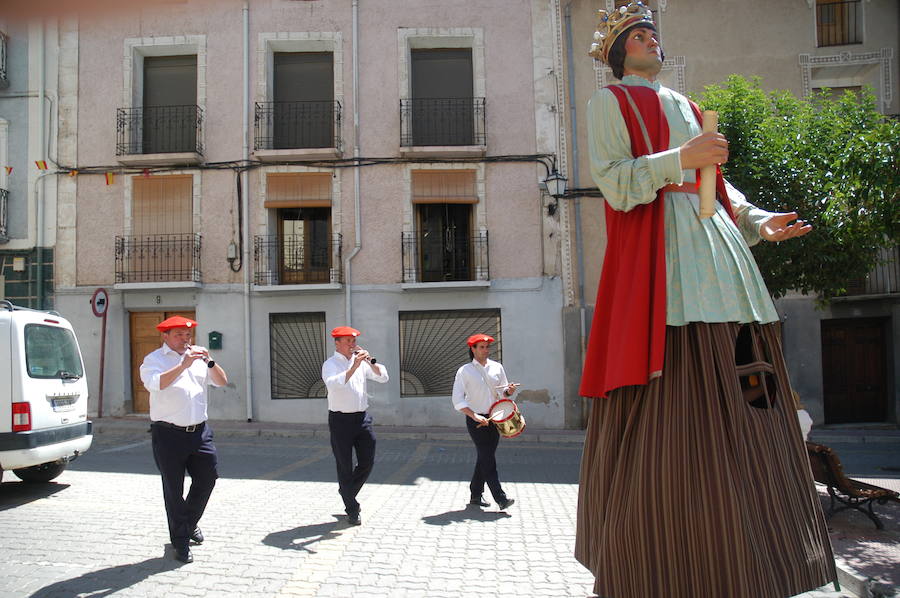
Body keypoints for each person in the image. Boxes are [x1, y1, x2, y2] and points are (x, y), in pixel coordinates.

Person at [576, 3, 836, 597]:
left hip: (717, 249)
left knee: (747, 366)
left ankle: (762, 551)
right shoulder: (608, 102)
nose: (651, 41)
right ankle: (667, 550)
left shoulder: (690, 106)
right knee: (679, 377)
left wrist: (758, 219)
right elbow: (614, 180)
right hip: (661, 262)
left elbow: (717, 187)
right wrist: (680, 159)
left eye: (652, 33)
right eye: (637, 35)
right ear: (618, 53)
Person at [140, 315, 228, 564]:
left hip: (200, 432)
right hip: (168, 434)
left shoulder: (199, 359)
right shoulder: (154, 360)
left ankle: (188, 523)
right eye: (179, 334)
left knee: (208, 478)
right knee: (173, 489)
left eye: (187, 335)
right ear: (165, 336)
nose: (185, 339)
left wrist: (209, 361)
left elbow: (222, 381)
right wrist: (182, 366)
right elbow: (155, 384)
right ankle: (180, 542)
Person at [321, 326, 388, 526]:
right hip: (340, 420)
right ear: (337, 343)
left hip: (362, 418)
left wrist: (370, 363)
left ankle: (346, 491)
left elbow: (383, 377)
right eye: (348, 341)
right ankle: (352, 508)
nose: (353, 344)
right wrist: (353, 367)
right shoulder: (330, 364)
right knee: (344, 465)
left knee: (367, 461)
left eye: (354, 341)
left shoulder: (360, 361)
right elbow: (333, 384)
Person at [451, 333, 517, 511]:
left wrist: (509, 391)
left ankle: (475, 494)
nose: (486, 350)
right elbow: (457, 400)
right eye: (481, 347)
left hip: (495, 419)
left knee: (484, 456)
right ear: (472, 349)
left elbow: (503, 394)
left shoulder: (497, 367)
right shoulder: (464, 371)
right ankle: (500, 498)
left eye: (487, 347)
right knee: (488, 457)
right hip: (477, 420)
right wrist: (473, 415)